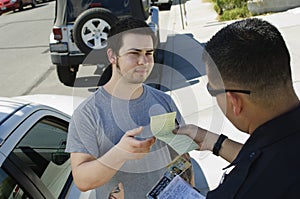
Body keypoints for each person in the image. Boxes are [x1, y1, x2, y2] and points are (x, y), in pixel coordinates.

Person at [65, 17, 193, 198]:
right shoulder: (87, 114)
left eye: (149, 53)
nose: (144, 61)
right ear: (112, 56)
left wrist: (190, 193)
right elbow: (82, 180)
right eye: (134, 53)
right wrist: (120, 153)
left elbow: (183, 158)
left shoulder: (165, 101)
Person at [173, 18, 300, 198]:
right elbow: (272, 160)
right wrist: (214, 142)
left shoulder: (242, 191)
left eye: (212, 90)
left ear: (234, 101)